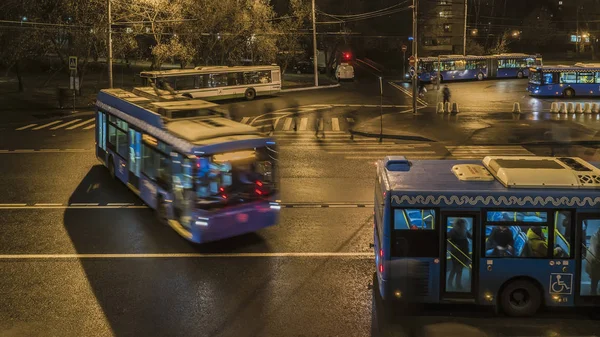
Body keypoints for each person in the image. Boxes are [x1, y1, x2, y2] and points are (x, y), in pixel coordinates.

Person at [448, 218, 472, 290]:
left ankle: (452, 283)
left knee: (456, 269)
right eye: (463, 224)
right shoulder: (454, 231)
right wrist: (454, 246)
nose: (464, 225)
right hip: (458, 252)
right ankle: (457, 284)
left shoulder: (463, 230)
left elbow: (471, 236)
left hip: (461, 252)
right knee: (457, 269)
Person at [585, 228, 600, 295]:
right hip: (596, 260)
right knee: (595, 278)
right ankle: (593, 291)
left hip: (595, 260)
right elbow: (596, 249)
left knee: (594, 278)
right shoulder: (596, 237)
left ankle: (593, 291)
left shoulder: (595, 236)